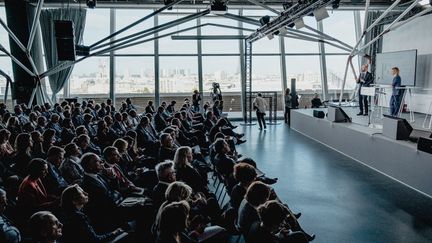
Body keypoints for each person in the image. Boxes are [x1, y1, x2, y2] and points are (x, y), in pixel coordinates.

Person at [60, 184, 126, 243]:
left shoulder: (73, 214)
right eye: (82, 193)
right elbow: (96, 240)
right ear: (74, 201)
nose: (86, 193)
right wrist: (115, 233)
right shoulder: (77, 217)